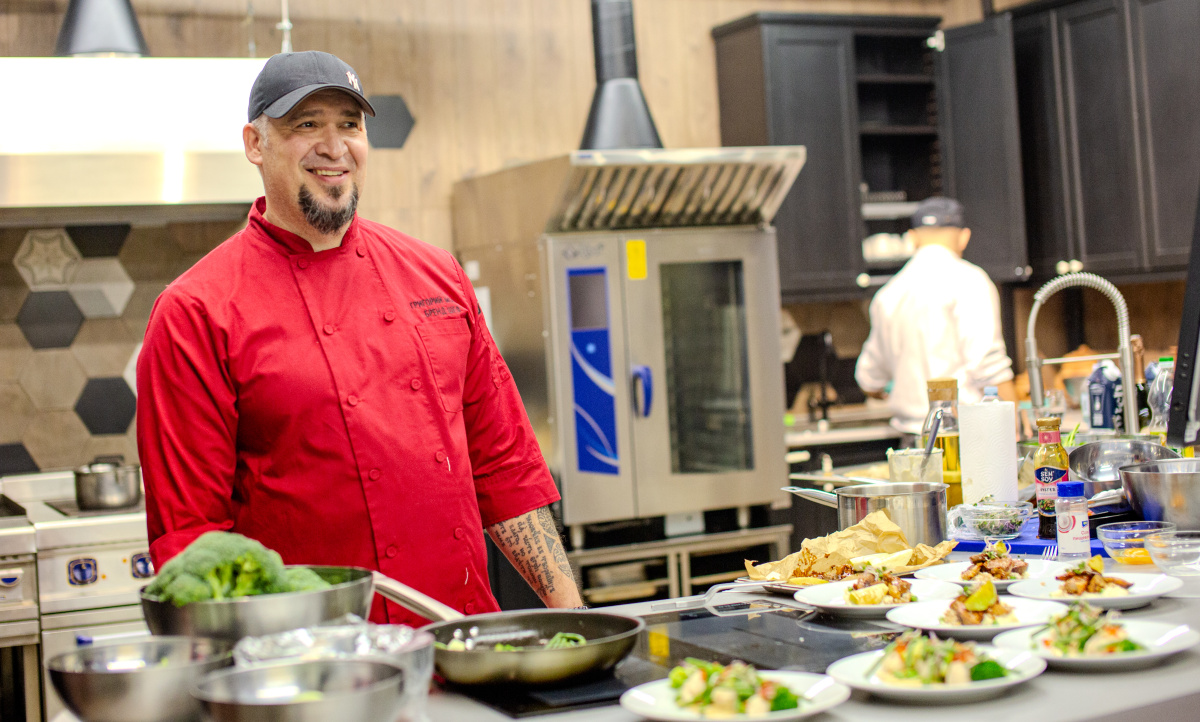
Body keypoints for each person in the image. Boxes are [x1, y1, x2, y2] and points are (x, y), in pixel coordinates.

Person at [136, 51, 583, 625]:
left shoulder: (437, 275)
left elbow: (505, 468)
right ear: (255, 144)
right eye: (306, 124)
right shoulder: (196, 311)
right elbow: (192, 538)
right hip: (319, 657)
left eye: (349, 124)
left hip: (463, 640)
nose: (334, 146)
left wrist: (575, 619)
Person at [854, 196, 1015, 434]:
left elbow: (868, 380)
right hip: (960, 435)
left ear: (912, 238)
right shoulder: (970, 281)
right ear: (964, 237)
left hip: (910, 438)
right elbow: (989, 367)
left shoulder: (887, 294)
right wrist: (1013, 425)